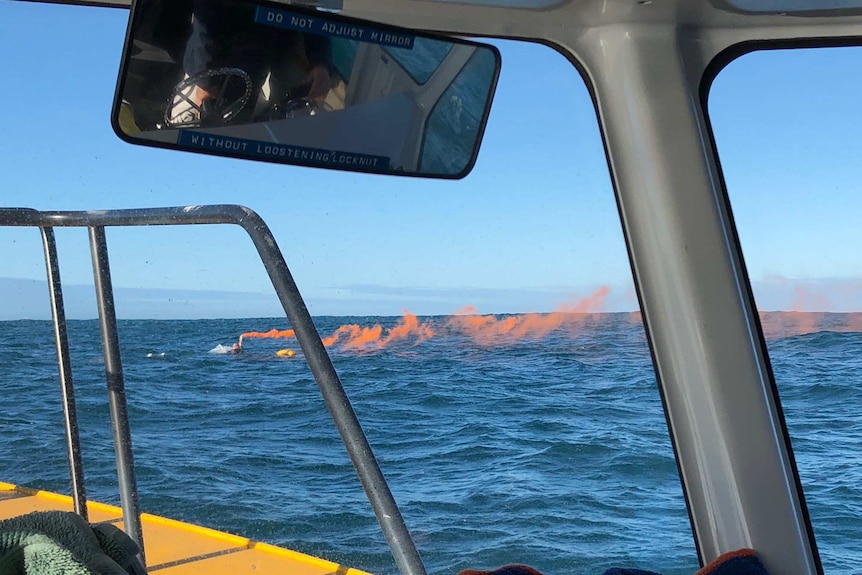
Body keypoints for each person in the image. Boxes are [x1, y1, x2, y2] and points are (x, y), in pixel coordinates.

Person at [167, 0, 333, 127]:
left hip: (270, 44)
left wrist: (321, 63)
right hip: (220, 44)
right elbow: (206, 18)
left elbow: (318, 11)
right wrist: (204, 82)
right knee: (188, 123)